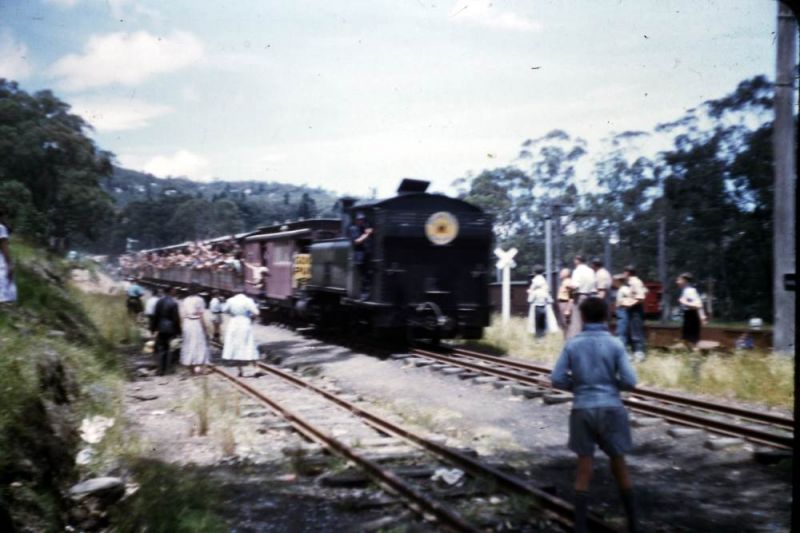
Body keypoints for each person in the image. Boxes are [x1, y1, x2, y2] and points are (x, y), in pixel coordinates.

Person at [550, 297, 639, 533]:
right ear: (606, 316)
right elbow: (630, 381)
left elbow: (557, 379)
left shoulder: (572, 344)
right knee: (619, 464)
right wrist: (611, 386)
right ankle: (633, 525)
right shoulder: (615, 343)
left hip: (582, 409)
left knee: (584, 468)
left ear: (583, 317)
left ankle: (580, 527)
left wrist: (578, 387)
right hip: (612, 408)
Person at [221, 292, 261, 377]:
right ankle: (256, 367)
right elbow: (257, 312)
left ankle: (240, 370)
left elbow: (224, 310)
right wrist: (251, 317)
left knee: (236, 345)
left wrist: (231, 312)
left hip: (234, 323)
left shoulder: (230, 300)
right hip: (245, 322)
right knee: (249, 344)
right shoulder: (248, 300)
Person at [151, 286, 182, 375]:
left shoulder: (159, 301)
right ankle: (169, 369)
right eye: (174, 290)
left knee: (161, 348)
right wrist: (179, 331)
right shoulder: (173, 303)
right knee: (170, 348)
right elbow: (176, 319)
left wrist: (153, 328)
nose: (175, 292)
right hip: (171, 328)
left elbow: (155, 316)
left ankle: (160, 370)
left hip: (161, 328)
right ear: (171, 291)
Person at [180, 288, 210, 375]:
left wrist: (182, 327)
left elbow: (183, 315)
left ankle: (191, 369)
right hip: (196, 323)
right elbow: (201, 315)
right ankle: (201, 368)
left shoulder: (185, 300)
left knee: (188, 344)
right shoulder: (199, 300)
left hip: (187, 323)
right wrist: (205, 328)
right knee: (200, 344)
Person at [566, 256, 597, 339]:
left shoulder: (577, 271)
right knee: (589, 319)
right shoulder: (591, 271)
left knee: (577, 319)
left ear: (578, 261)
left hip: (580, 296)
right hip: (591, 296)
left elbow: (575, 285)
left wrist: (569, 287)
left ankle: (576, 338)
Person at [623, 265, 648, 361]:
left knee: (636, 332)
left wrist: (630, 304)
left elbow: (641, 297)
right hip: (632, 310)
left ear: (628, 273)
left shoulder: (635, 282)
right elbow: (645, 291)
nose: (624, 274)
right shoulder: (632, 282)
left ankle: (639, 354)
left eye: (624, 272)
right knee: (631, 332)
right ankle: (634, 353)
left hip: (636, 310)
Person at [348, 211, 374, 299]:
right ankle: (363, 294)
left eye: (362, 219)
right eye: (360, 219)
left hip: (368, 255)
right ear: (356, 220)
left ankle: (368, 293)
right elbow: (357, 241)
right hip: (359, 256)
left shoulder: (364, 228)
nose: (361, 221)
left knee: (369, 274)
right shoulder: (353, 229)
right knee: (364, 275)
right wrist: (367, 234)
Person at [676, 273, 706, 348]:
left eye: (679, 280)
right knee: (687, 339)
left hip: (692, 316)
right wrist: (702, 317)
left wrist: (683, 302)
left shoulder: (689, 291)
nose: (677, 282)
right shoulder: (686, 290)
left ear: (685, 281)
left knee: (691, 340)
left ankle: (693, 352)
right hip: (689, 315)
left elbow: (698, 305)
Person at [527, 265, 556, 337]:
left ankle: (539, 336)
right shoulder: (544, 280)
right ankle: (542, 335)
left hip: (536, 303)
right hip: (545, 303)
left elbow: (532, 292)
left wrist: (530, 292)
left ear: (534, 272)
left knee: (537, 321)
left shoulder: (536, 281)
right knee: (543, 321)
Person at [0, 207, 18, 304]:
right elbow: (5, 249)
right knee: (4, 297)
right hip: (1, 266)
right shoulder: (1, 228)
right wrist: (10, 265)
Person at [613, 274, 635, 352]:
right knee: (620, 330)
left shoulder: (624, 289)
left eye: (615, 281)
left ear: (619, 281)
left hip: (623, 311)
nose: (613, 283)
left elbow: (632, 297)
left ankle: (622, 350)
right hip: (620, 311)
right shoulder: (620, 289)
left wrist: (625, 303)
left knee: (621, 331)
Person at [557, 268, 573, 335]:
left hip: (565, 304)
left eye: (562, 272)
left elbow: (571, 297)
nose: (560, 274)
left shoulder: (568, 283)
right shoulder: (564, 282)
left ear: (567, 274)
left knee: (566, 323)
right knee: (564, 324)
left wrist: (568, 309)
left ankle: (569, 337)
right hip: (562, 304)